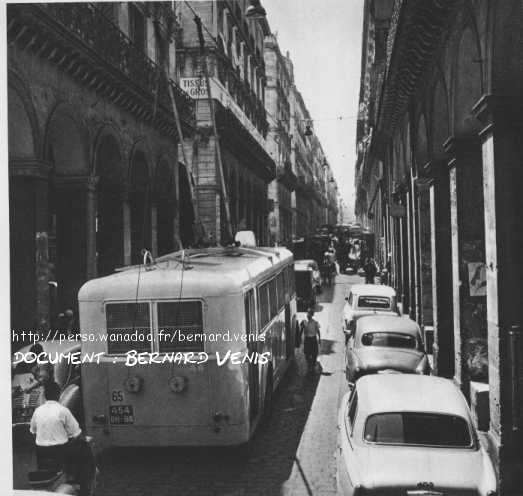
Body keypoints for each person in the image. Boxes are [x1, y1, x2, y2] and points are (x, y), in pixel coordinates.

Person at [30, 381, 90, 495]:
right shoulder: (63, 410)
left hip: (41, 453)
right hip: (61, 451)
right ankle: (84, 488)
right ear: (58, 395)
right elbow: (77, 434)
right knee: (84, 447)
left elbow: (33, 431)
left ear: (45, 396)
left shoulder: (37, 411)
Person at [300, 308, 321, 373]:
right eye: (307, 313)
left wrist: (319, 339)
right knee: (307, 352)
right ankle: (309, 365)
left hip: (313, 339)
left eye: (309, 314)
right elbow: (301, 330)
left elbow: (318, 331)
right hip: (307, 339)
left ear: (312, 315)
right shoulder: (304, 322)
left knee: (314, 352)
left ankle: (313, 364)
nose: (308, 315)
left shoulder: (315, 322)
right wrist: (299, 338)